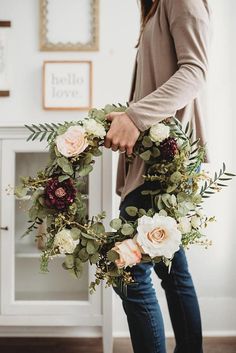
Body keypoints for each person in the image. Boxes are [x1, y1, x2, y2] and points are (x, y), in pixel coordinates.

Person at [104, 1, 211, 352]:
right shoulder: (154, 8)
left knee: (131, 273)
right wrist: (129, 114)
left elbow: (194, 71)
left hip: (164, 161)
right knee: (171, 272)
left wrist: (135, 117)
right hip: (158, 158)